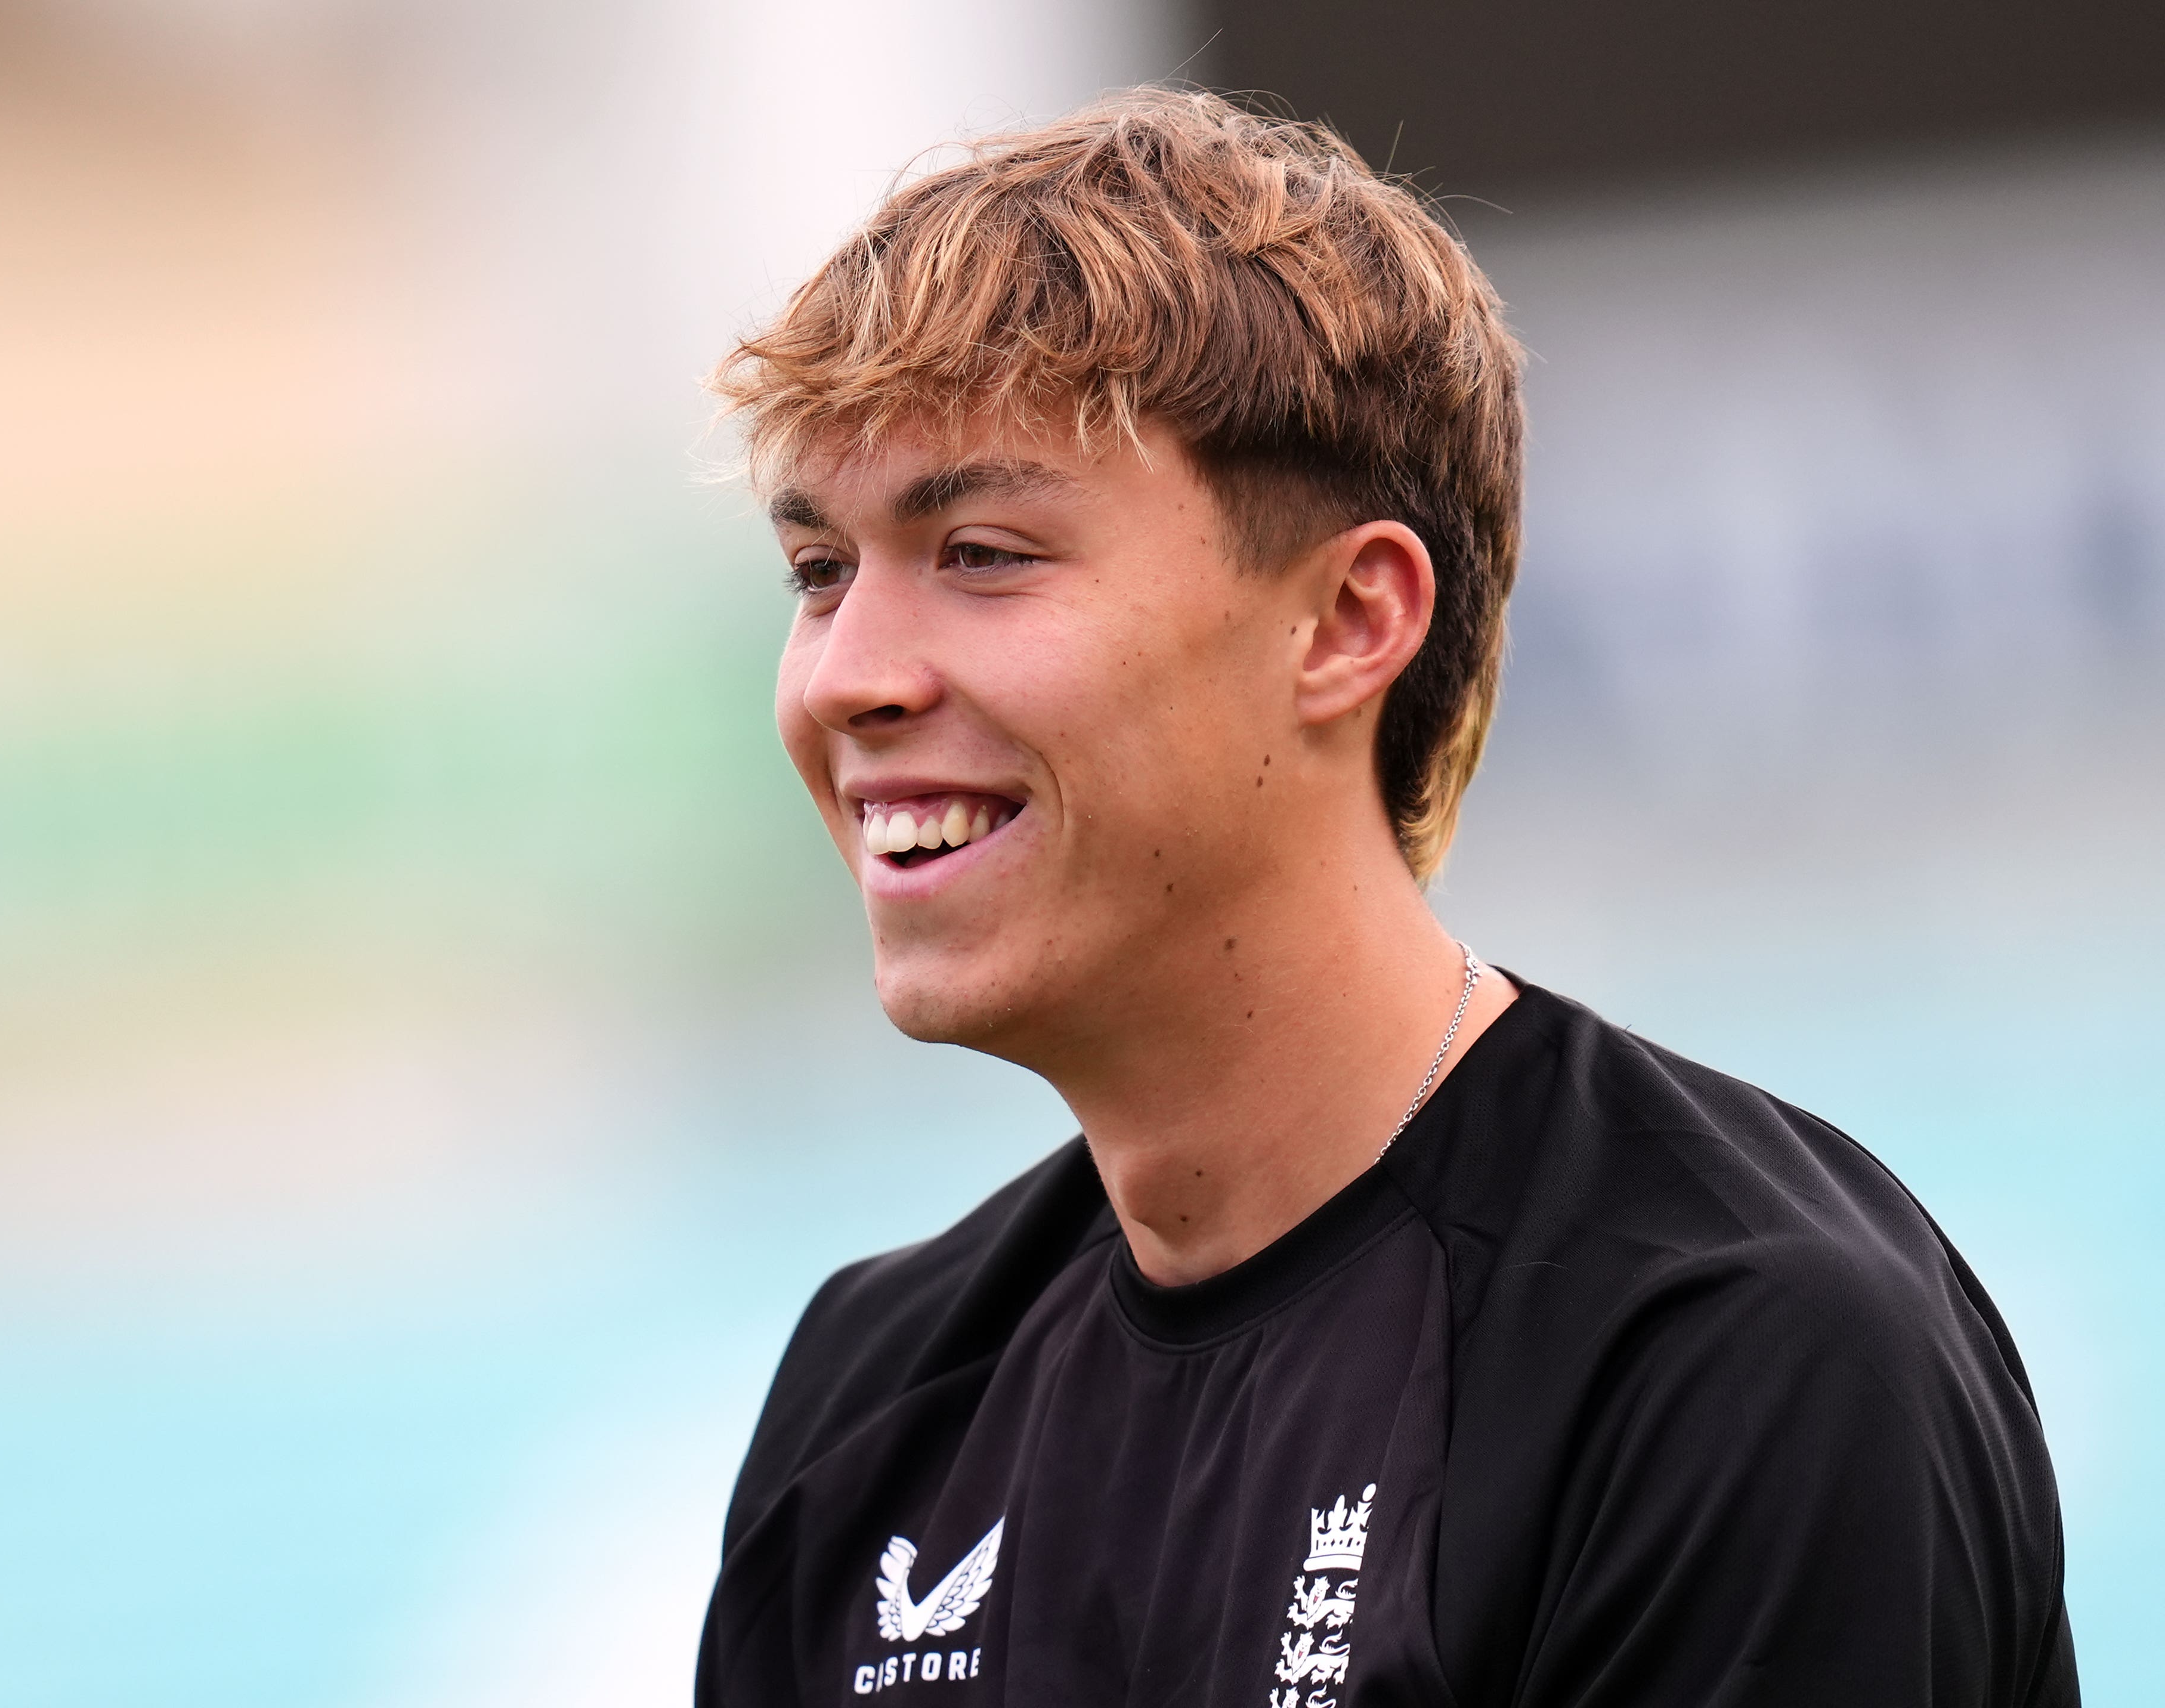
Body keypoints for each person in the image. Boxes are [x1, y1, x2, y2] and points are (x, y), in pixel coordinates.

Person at [694, 88, 2074, 1707]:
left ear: (1350, 620)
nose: (847, 677)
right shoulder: (874, 1401)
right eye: (818, 575)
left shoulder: (1727, 1345)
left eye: (984, 553)